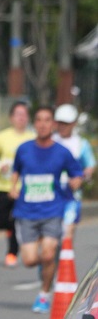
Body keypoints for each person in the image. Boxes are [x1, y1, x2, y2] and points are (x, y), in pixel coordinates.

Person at [10, 105, 83, 314]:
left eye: (47, 120)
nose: (43, 124)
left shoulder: (62, 152)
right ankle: (46, 255)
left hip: (52, 210)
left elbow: (76, 173)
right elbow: (16, 170)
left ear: (53, 124)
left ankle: (44, 294)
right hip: (26, 212)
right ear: (35, 124)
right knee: (30, 260)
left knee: (49, 254)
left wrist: (75, 182)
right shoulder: (24, 149)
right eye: (39, 120)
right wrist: (13, 187)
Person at [0, 101, 35, 267]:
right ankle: (18, 235)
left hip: (25, 188)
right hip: (4, 186)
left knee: (16, 221)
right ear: (11, 118)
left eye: (24, 115)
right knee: (1, 221)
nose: (21, 118)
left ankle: (12, 253)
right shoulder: (2, 137)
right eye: (18, 114)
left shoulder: (32, 138)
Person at [53, 103, 96, 242]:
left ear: (73, 124)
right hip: (50, 193)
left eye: (66, 123)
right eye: (60, 123)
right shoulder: (50, 141)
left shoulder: (81, 144)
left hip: (71, 195)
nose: (62, 126)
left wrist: (81, 178)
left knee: (67, 231)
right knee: (50, 234)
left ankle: (65, 261)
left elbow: (90, 166)